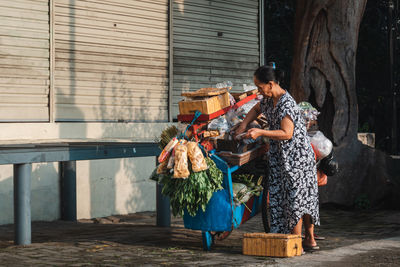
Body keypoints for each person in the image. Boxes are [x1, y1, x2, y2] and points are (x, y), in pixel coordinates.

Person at [234, 64, 320, 251]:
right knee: (299, 197)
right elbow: (256, 109)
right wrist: (243, 125)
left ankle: (297, 242)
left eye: (259, 87)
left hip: (297, 159)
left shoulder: (286, 103)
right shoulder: (268, 100)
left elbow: (287, 133)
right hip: (281, 157)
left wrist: (260, 132)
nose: (258, 91)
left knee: (296, 200)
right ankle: (307, 241)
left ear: (271, 84)